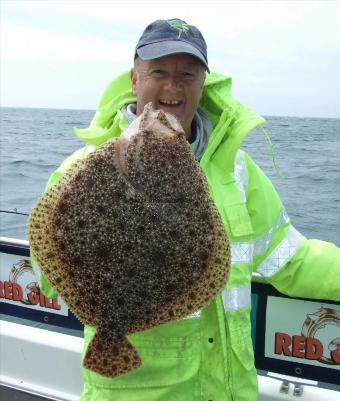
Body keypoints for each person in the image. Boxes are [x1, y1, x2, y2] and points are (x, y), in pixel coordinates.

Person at [34, 18, 340, 401]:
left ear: (202, 83)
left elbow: (291, 258)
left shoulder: (238, 171)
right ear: (135, 79)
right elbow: (48, 277)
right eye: (159, 72)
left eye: (187, 74)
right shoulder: (81, 169)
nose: (172, 86)